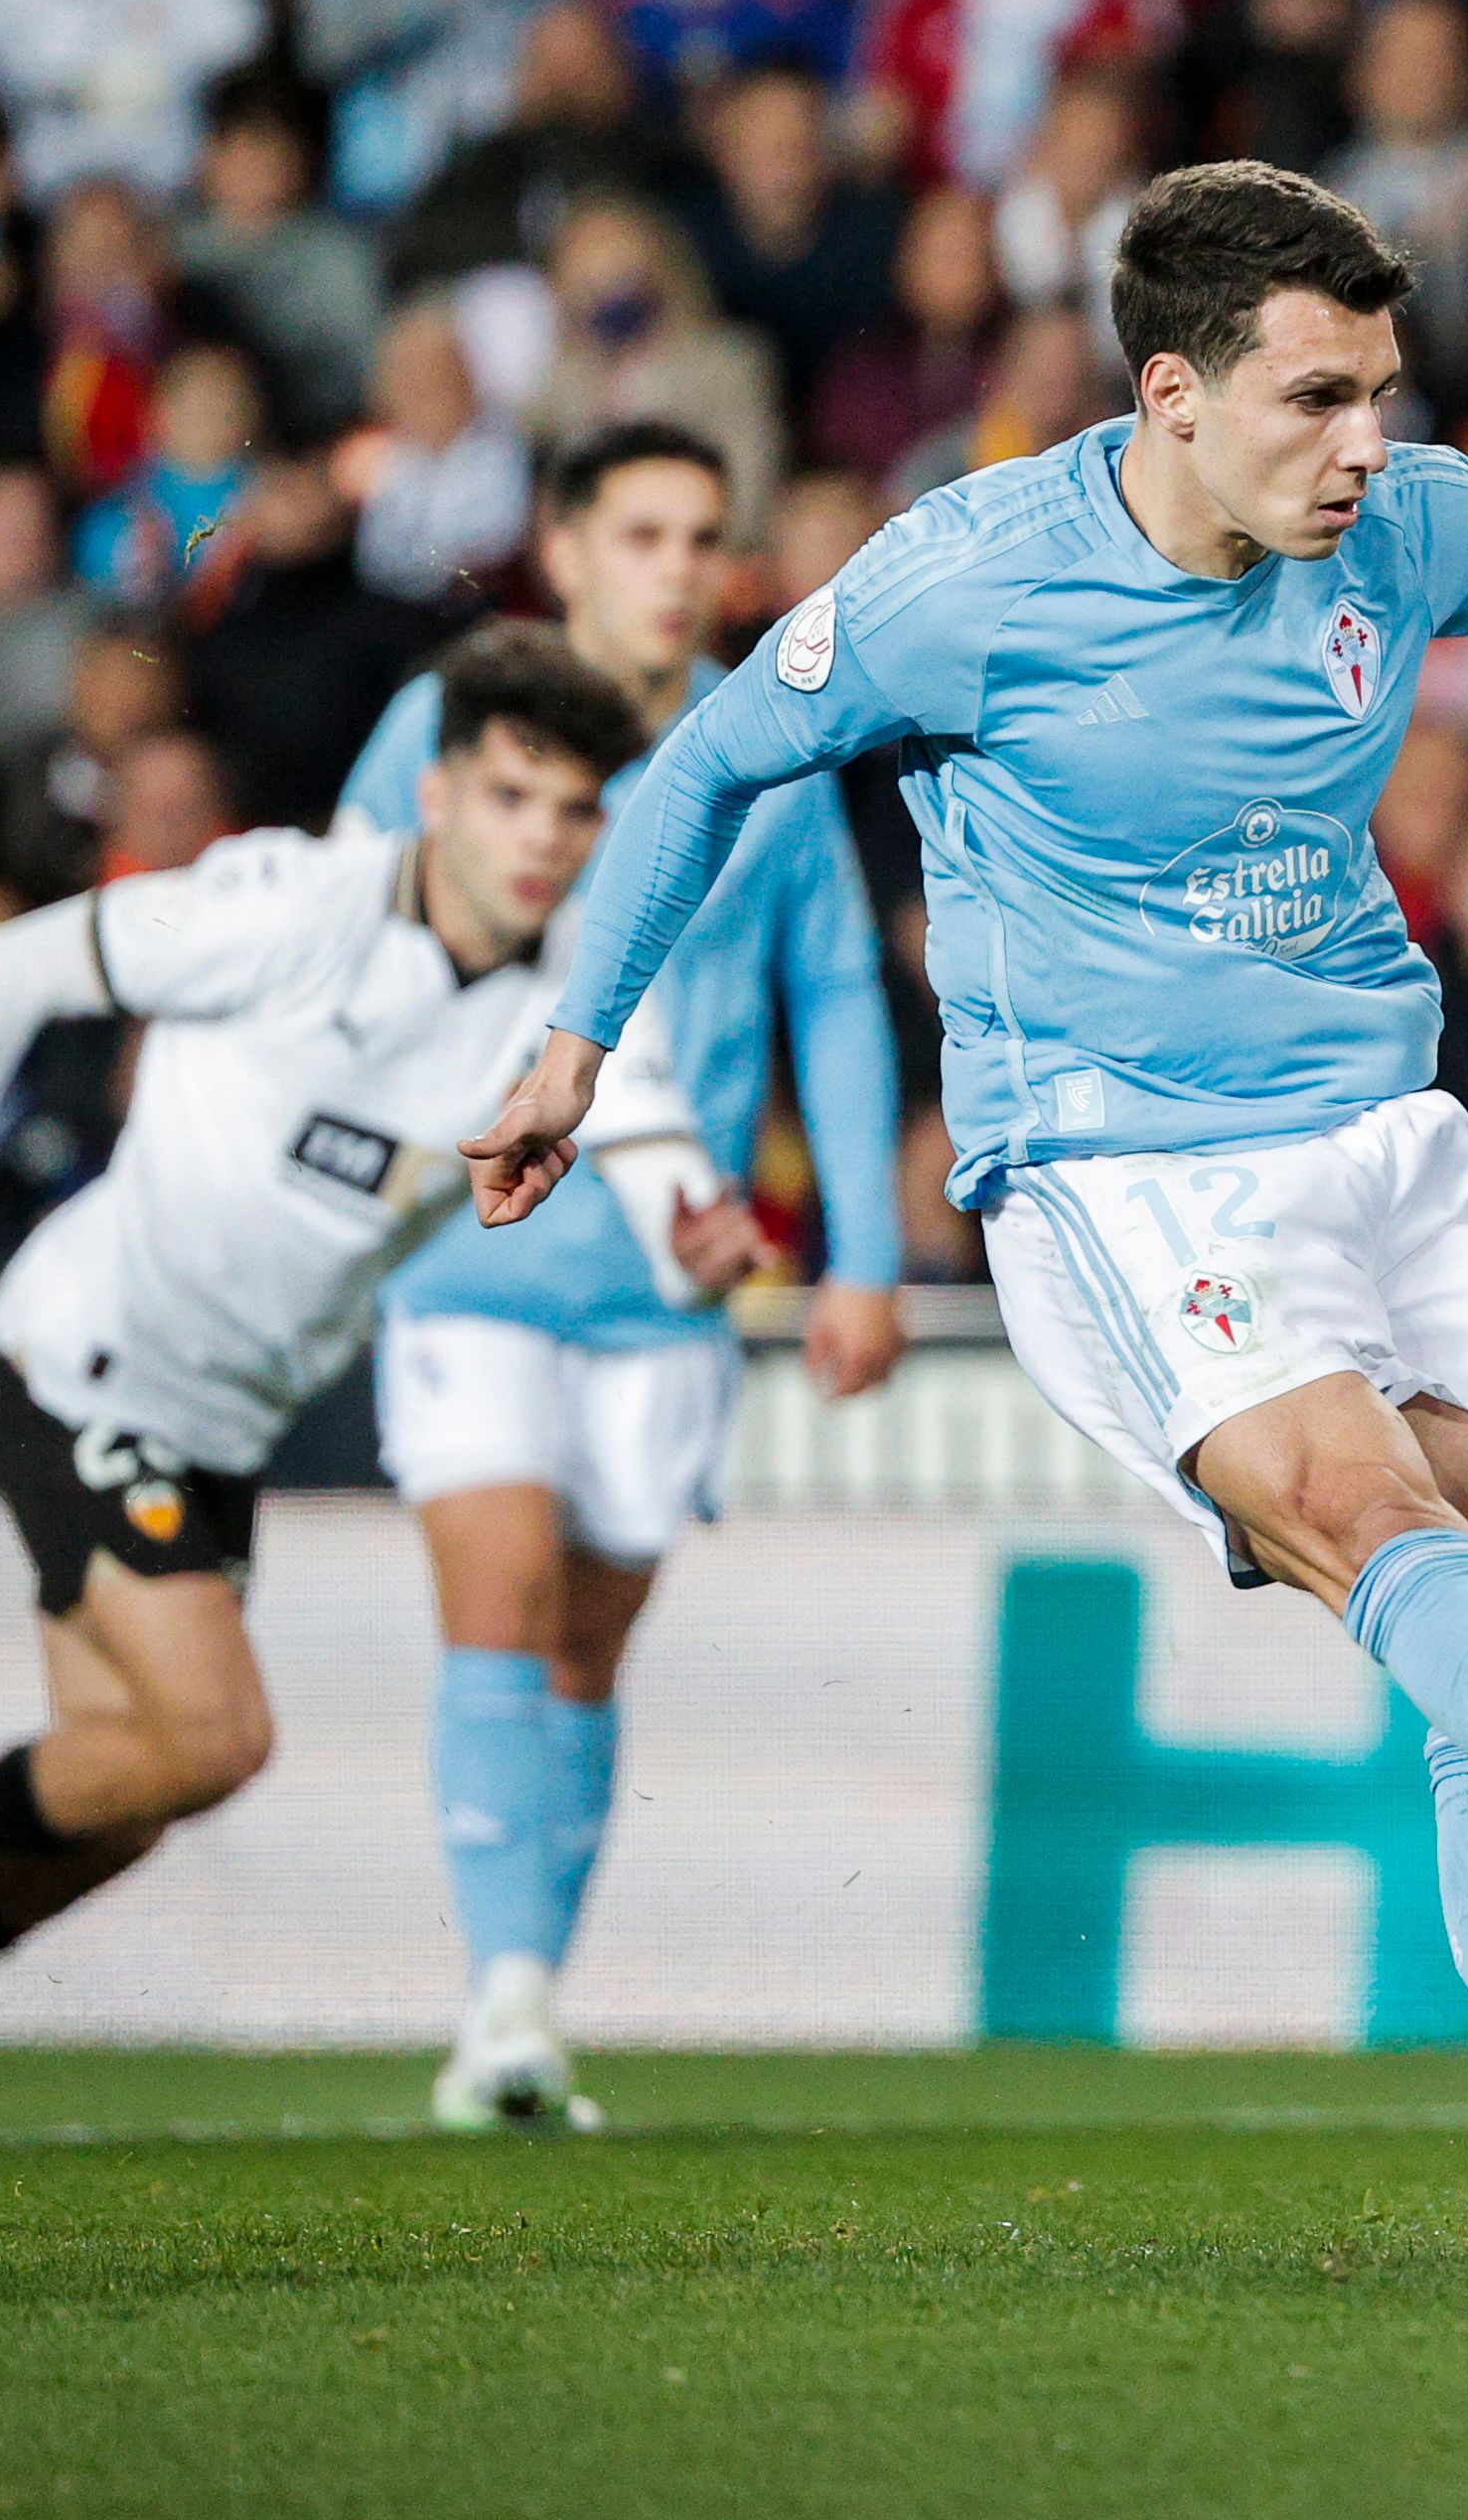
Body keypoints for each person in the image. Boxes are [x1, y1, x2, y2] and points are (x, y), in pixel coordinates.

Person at [460, 162, 1468, 2246]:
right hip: (1120, 1165)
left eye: (1380, 391)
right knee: (1391, 1534)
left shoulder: (1404, 527)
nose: (1364, 446)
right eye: (1315, 400)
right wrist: (576, 1046)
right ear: (1169, 392)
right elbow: (699, 766)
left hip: (1385, 1133)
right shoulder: (961, 581)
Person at [0, 629, 725, 2146]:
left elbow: (638, 1117)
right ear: (438, 794)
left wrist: (691, 1217)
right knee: (213, 1740)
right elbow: (4, 967)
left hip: (217, 1425)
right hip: (88, 1360)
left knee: (120, 1804)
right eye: (512, 797)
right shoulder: (291, 906)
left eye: (574, 812)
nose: (542, 840)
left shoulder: (566, 993)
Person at [329, 424, 907, 2132]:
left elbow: (838, 991)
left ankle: (524, 1996)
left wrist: (861, 1258)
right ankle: (503, 2013)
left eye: (701, 535)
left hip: (675, 1283)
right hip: (471, 1249)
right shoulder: (451, 727)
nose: (677, 566)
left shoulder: (769, 737)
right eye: (641, 532)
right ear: (564, 550)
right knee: (500, 1595)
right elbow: (351, 939)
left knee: (586, 1645)